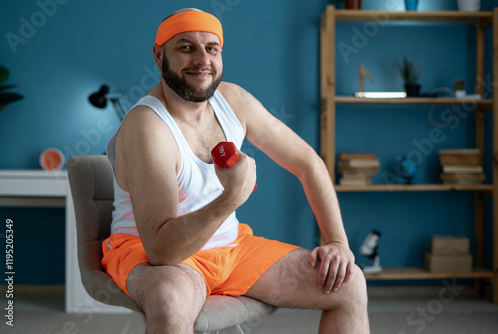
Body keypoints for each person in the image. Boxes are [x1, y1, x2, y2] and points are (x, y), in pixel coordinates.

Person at [101, 8, 369, 334]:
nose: (202, 59)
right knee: (170, 302)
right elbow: (162, 251)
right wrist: (232, 197)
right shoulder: (148, 126)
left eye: (211, 48)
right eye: (186, 47)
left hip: (231, 249)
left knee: (349, 283)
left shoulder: (232, 99)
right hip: (151, 254)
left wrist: (337, 242)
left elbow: (307, 162)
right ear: (159, 56)